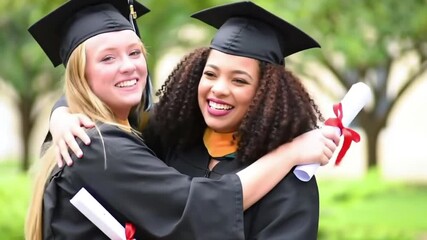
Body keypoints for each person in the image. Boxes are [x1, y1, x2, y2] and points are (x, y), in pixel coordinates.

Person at [26, 0, 339, 239]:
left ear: (268, 94)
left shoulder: (289, 184)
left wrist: (62, 112)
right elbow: (197, 207)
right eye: (210, 74)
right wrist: (62, 112)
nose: (219, 89)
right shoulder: (110, 143)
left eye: (240, 81)